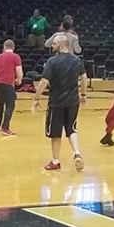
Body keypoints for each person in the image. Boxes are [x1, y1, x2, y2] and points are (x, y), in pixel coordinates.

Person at [40, 32, 86, 173]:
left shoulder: (52, 62)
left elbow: (44, 81)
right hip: (73, 101)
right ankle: (77, 153)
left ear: (60, 45)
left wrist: (36, 97)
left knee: (55, 134)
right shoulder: (77, 60)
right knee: (71, 129)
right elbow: (84, 77)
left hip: (56, 102)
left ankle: (55, 162)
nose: (52, 46)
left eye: (54, 44)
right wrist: (83, 94)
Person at [0, 37, 22, 136]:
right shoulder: (16, 57)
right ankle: (5, 127)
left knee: (0, 103)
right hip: (7, 84)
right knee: (10, 104)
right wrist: (19, 80)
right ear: (13, 47)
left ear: (4, 47)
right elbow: (19, 71)